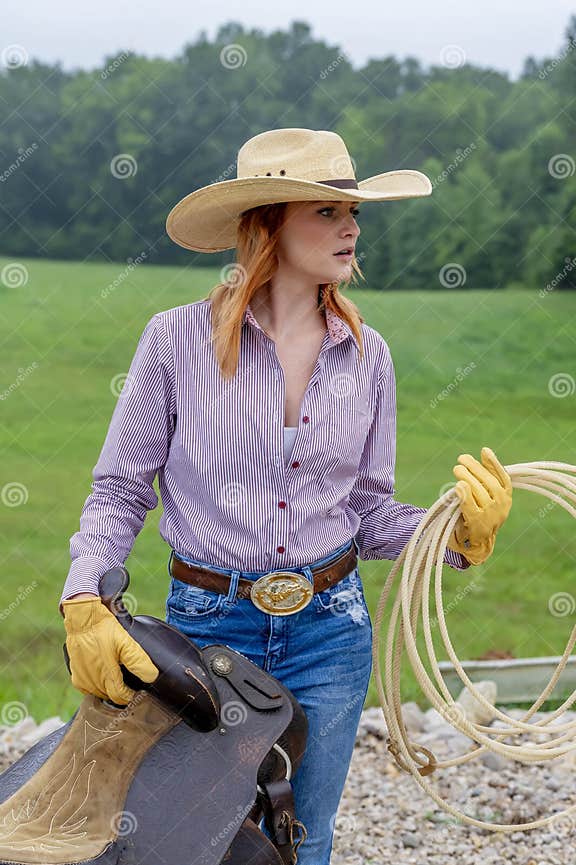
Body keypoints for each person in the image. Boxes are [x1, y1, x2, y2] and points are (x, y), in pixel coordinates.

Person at [60, 128, 513, 865]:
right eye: (326, 212)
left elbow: (365, 511)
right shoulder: (175, 342)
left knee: (304, 836)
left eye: (353, 212)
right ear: (267, 223)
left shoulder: (368, 356)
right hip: (209, 629)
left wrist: (452, 532)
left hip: (331, 627)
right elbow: (118, 487)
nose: (352, 226)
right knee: (197, 837)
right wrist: (85, 594)